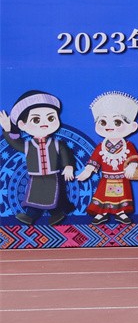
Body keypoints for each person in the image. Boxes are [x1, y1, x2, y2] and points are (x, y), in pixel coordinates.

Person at [0, 90, 76, 226]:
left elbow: (66, 154)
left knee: (55, 196)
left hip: (53, 176)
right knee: (35, 197)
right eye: (36, 120)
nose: (44, 123)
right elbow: (14, 142)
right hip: (36, 178)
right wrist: (7, 129)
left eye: (51, 118)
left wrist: (68, 166)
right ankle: (31, 215)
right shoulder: (28, 145)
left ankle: (56, 214)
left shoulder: (57, 144)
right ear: (22, 125)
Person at [76, 91, 138, 226]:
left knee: (122, 197)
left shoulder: (128, 146)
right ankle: (102, 213)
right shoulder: (101, 147)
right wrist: (88, 170)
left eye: (117, 122)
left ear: (132, 127)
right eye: (103, 122)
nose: (109, 126)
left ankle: (121, 213)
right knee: (103, 196)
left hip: (122, 178)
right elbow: (94, 160)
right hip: (106, 178)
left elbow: (134, 158)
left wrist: (132, 166)